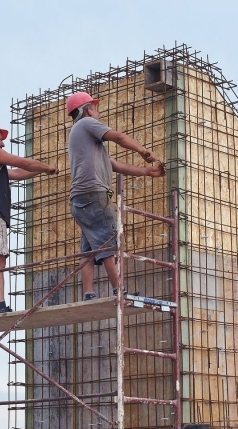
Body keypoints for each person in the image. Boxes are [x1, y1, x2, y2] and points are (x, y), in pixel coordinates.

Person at [65, 92, 165, 301]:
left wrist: (148, 172)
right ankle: (118, 291)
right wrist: (142, 150)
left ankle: (89, 293)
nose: (97, 111)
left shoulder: (83, 139)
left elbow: (115, 164)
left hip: (80, 200)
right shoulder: (87, 124)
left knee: (89, 249)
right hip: (94, 195)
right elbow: (118, 137)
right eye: (95, 107)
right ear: (88, 109)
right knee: (109, 243)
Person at [0, 122, 57, 316]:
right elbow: (22, 163)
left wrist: (43, 170)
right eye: (0, 137)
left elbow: (17, 173)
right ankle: (0, 305)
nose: (2, 143)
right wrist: (46, 165)